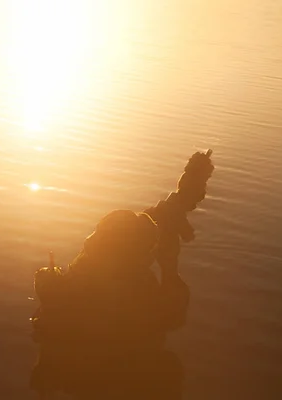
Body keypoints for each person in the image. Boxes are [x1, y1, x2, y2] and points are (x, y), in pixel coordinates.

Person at [30, 151, 214, 399]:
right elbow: (172, 321)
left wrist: (192, 181)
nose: (151, 252)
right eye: (147, 248)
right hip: (118, 375)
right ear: (134, 254)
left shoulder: (91, 262)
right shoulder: (134, 291)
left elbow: (161, 215)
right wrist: (170, 269)